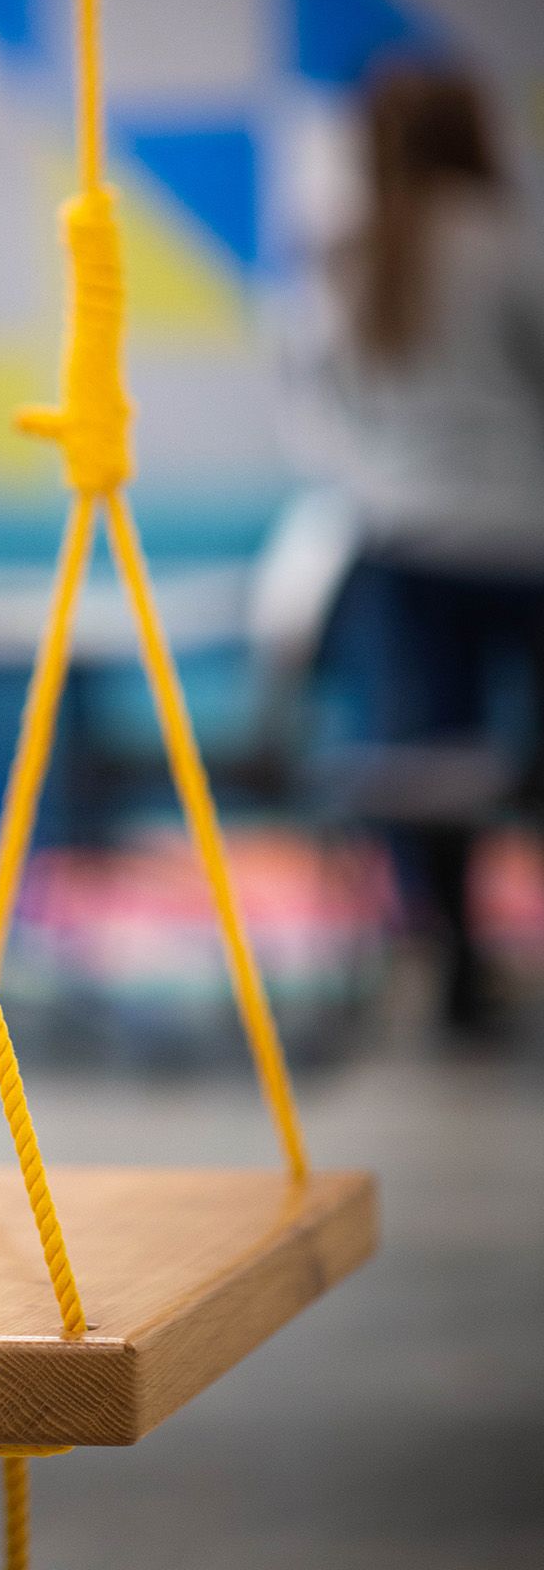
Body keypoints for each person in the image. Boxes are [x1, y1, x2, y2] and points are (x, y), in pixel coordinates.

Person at [292, 62, 544, 1033]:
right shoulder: (508, 237)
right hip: (524, 537)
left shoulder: (348, 256)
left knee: (428, 768)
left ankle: (456, 964)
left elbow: (322, 406)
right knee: (501, 768)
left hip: (405, 543)